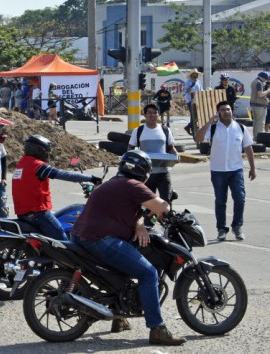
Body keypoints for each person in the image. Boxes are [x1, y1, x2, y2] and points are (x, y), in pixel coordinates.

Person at [71, 150, 185, 346]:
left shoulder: (115, 183)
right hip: (100, 239)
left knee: (123, 271)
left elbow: (132, 211)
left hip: (83, 236)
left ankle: (118, 317)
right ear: (144, 171)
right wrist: (166, 204)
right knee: (148, 273)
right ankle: (157, 329)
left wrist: (139, 224)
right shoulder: (133, 185)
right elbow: (163, 208)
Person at [12, 135, 102, 241]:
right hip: (38, 214)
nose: (48, 154)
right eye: (47, 151)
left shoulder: (22, 164)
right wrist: (91, 178)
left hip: (23, 213)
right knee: (63, 242)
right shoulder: (38, 166)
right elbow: (64, 174)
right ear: (39, 151)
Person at [195, 100, 255, 241]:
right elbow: (198, 138)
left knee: (240, 198)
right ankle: (221, 229)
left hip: (236, 170)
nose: (226, 112)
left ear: (232, 110)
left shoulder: (240, 128)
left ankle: (237, 226)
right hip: (218, 171)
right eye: (222, 110)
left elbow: (248, 148)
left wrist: (252, 168)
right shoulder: (214, 128)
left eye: (228, 109)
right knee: (221, 201)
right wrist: (209, 122)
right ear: (218, 113)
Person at [128, 104, 177, 201]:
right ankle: (149, 217)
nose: (152, 115)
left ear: (158, 115)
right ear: (144, 115)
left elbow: (171, 147)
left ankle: (166, 216)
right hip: (146, 174)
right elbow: (130, 148)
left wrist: (176, 155)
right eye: (149, 113)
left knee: (166, 202)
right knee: (149, 203)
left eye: (155, 113)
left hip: (163, 173)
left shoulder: (165, 130)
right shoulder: (138, 131)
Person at [248, 71, 270, 139]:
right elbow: (260, 94)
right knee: (260, 123)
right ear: (262, 77)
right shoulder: (259, 83)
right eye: (265, 79)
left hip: (254, 105)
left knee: (256, 122)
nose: (265, 80)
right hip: (260, 105)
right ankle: (259, 138)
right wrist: (268, 90)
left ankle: (255, 137)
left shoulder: (254, 81)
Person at [183, 68, 202, 135]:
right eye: (195, 74)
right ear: (192, 75)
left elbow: (200, 90)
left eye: (197, 74)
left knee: (196, 115)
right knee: (193, 114)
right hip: (190, 100)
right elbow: (185, 91)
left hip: (197, 100)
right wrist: (191, 86)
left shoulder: (198, 82)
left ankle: (189, 126)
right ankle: (192, 127)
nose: (196, 75)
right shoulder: (188, 82)